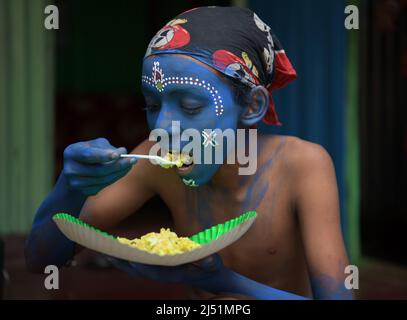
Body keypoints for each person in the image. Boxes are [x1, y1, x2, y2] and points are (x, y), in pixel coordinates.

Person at [25, 6, 352, 300]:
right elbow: (41, 260)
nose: (163, 126)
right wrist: (69, 187)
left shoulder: (302, 165)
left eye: (191, 106)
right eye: (152, 105)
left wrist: (226, 282)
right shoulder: (157, 160)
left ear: (252, 106)